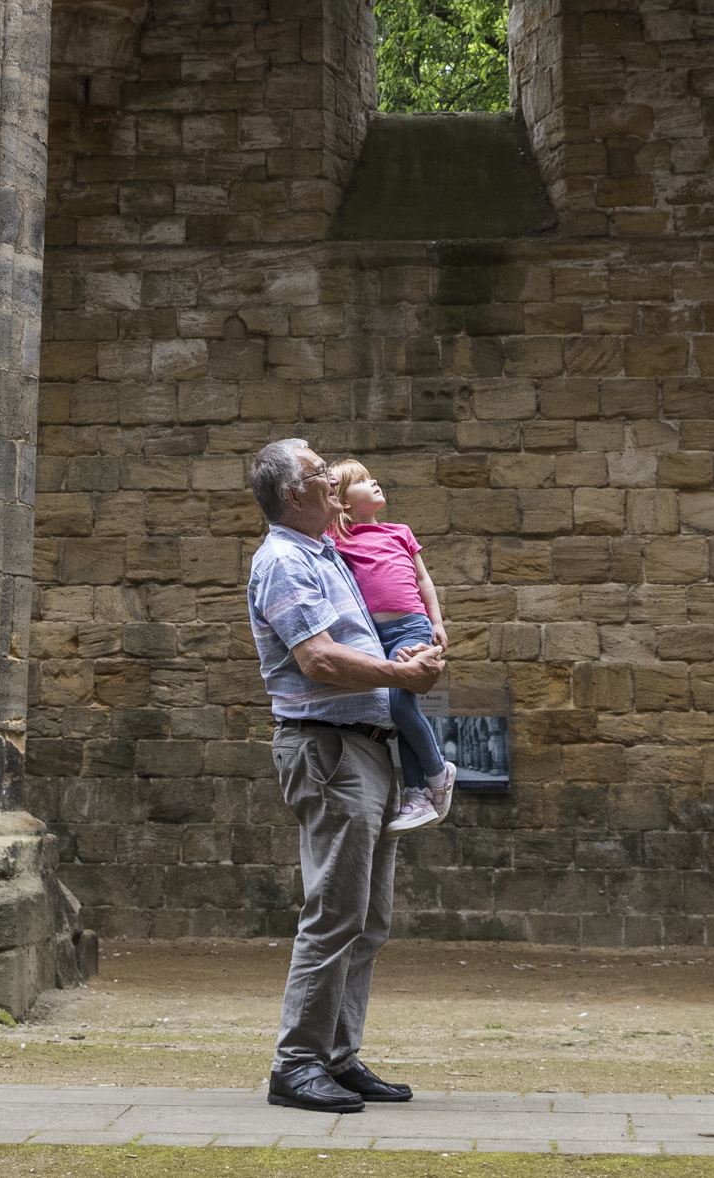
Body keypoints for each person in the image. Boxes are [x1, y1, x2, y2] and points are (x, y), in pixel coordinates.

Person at [243, 434, 447, 1115]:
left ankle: (335, 1056)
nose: (334, 480)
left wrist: (415, 652)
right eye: (319, 473)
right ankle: (295, 1064)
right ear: (292, 494)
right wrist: (400, 674)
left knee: (367, 917)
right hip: (327, 748)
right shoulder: (282, 561)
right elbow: (320, 661)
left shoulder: (326, 552)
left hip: (366, 747)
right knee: (333, 911)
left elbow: (376, 626)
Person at [326, 457, 455, 830]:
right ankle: (417, 794)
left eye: (372, 477)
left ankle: (436, 770)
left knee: (400, 703)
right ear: (344, 502)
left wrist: (437, 622)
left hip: (411, 627)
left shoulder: (400, 532)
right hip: (376, 637)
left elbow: (424, 581)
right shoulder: (338, 540)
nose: (375, 481)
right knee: (398, 708)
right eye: (363, 480)